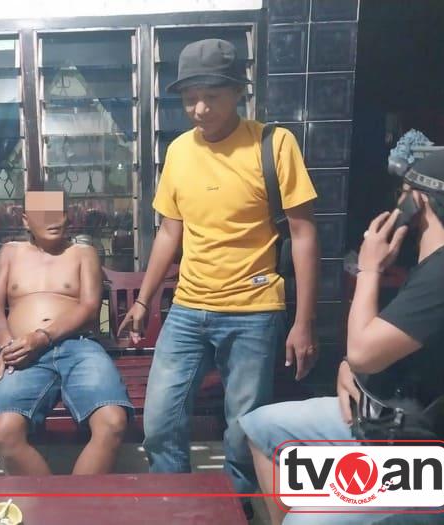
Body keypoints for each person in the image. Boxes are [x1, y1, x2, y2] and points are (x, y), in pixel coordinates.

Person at [117, 38, 319, 496]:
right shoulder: (179, 151)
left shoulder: (274, 144)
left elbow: (304, 234)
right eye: (190, 99)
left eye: (211, 96)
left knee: (242, 432)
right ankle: (174, 504)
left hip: (254, 310)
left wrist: (303, 322)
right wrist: (144, 300)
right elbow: (170, 231)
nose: (200, 109)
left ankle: (238, 509)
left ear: (238, 92)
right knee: (159, 422)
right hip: (188, 309)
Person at [240, 148, 444, 524]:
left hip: (429, 453)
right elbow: (386, 343)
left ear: (418, 202)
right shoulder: (433, 265)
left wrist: (368, 269)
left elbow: (363, 351)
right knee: (263, 427)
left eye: (403, 193)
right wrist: (350, 364)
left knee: (307, 519)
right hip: (389, 418)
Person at [0, 190, 133, 475]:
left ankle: (72, 502)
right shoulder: (11, 253)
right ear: (26, 220)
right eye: (43, 214)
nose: (53, 220)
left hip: (79, 347)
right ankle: (55, 501)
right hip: (23, 351)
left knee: (112, 422)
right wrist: (7, 345)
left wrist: (42, 336)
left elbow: (89, 308)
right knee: (3, 431)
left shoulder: (83, 253)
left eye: (59, 213)